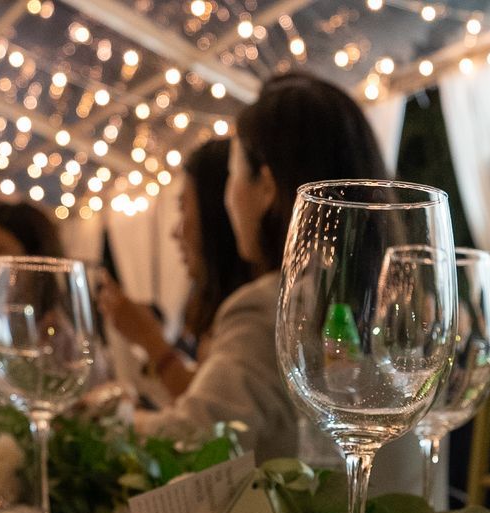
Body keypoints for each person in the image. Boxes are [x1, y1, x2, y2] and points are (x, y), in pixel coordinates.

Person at [137, 72, 395, 471]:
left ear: (266, 187)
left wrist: (108, 419)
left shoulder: (273, 308)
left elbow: (190, 441)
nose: (229, 198)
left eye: (233, 175)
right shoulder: (399, 302)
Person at [96, 139, 255, 401]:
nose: (175, 232)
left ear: (218, 214)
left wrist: (149, 338)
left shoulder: (251, 318)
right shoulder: (218, 317)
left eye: (184, 208)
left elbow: (205, 421)